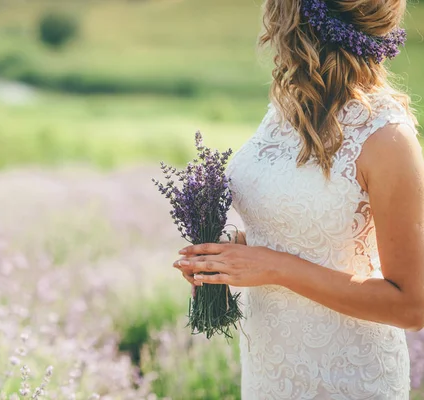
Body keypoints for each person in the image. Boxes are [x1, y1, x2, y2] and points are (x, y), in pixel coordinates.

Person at [173, 0, 423, 398]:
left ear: (299, 20)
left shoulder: (388, 138)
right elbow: (290, 231)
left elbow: (411, 306)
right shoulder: (285, 112)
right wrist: (228, 258)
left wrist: (274, 266)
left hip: (347, 379)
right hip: (268, 370)